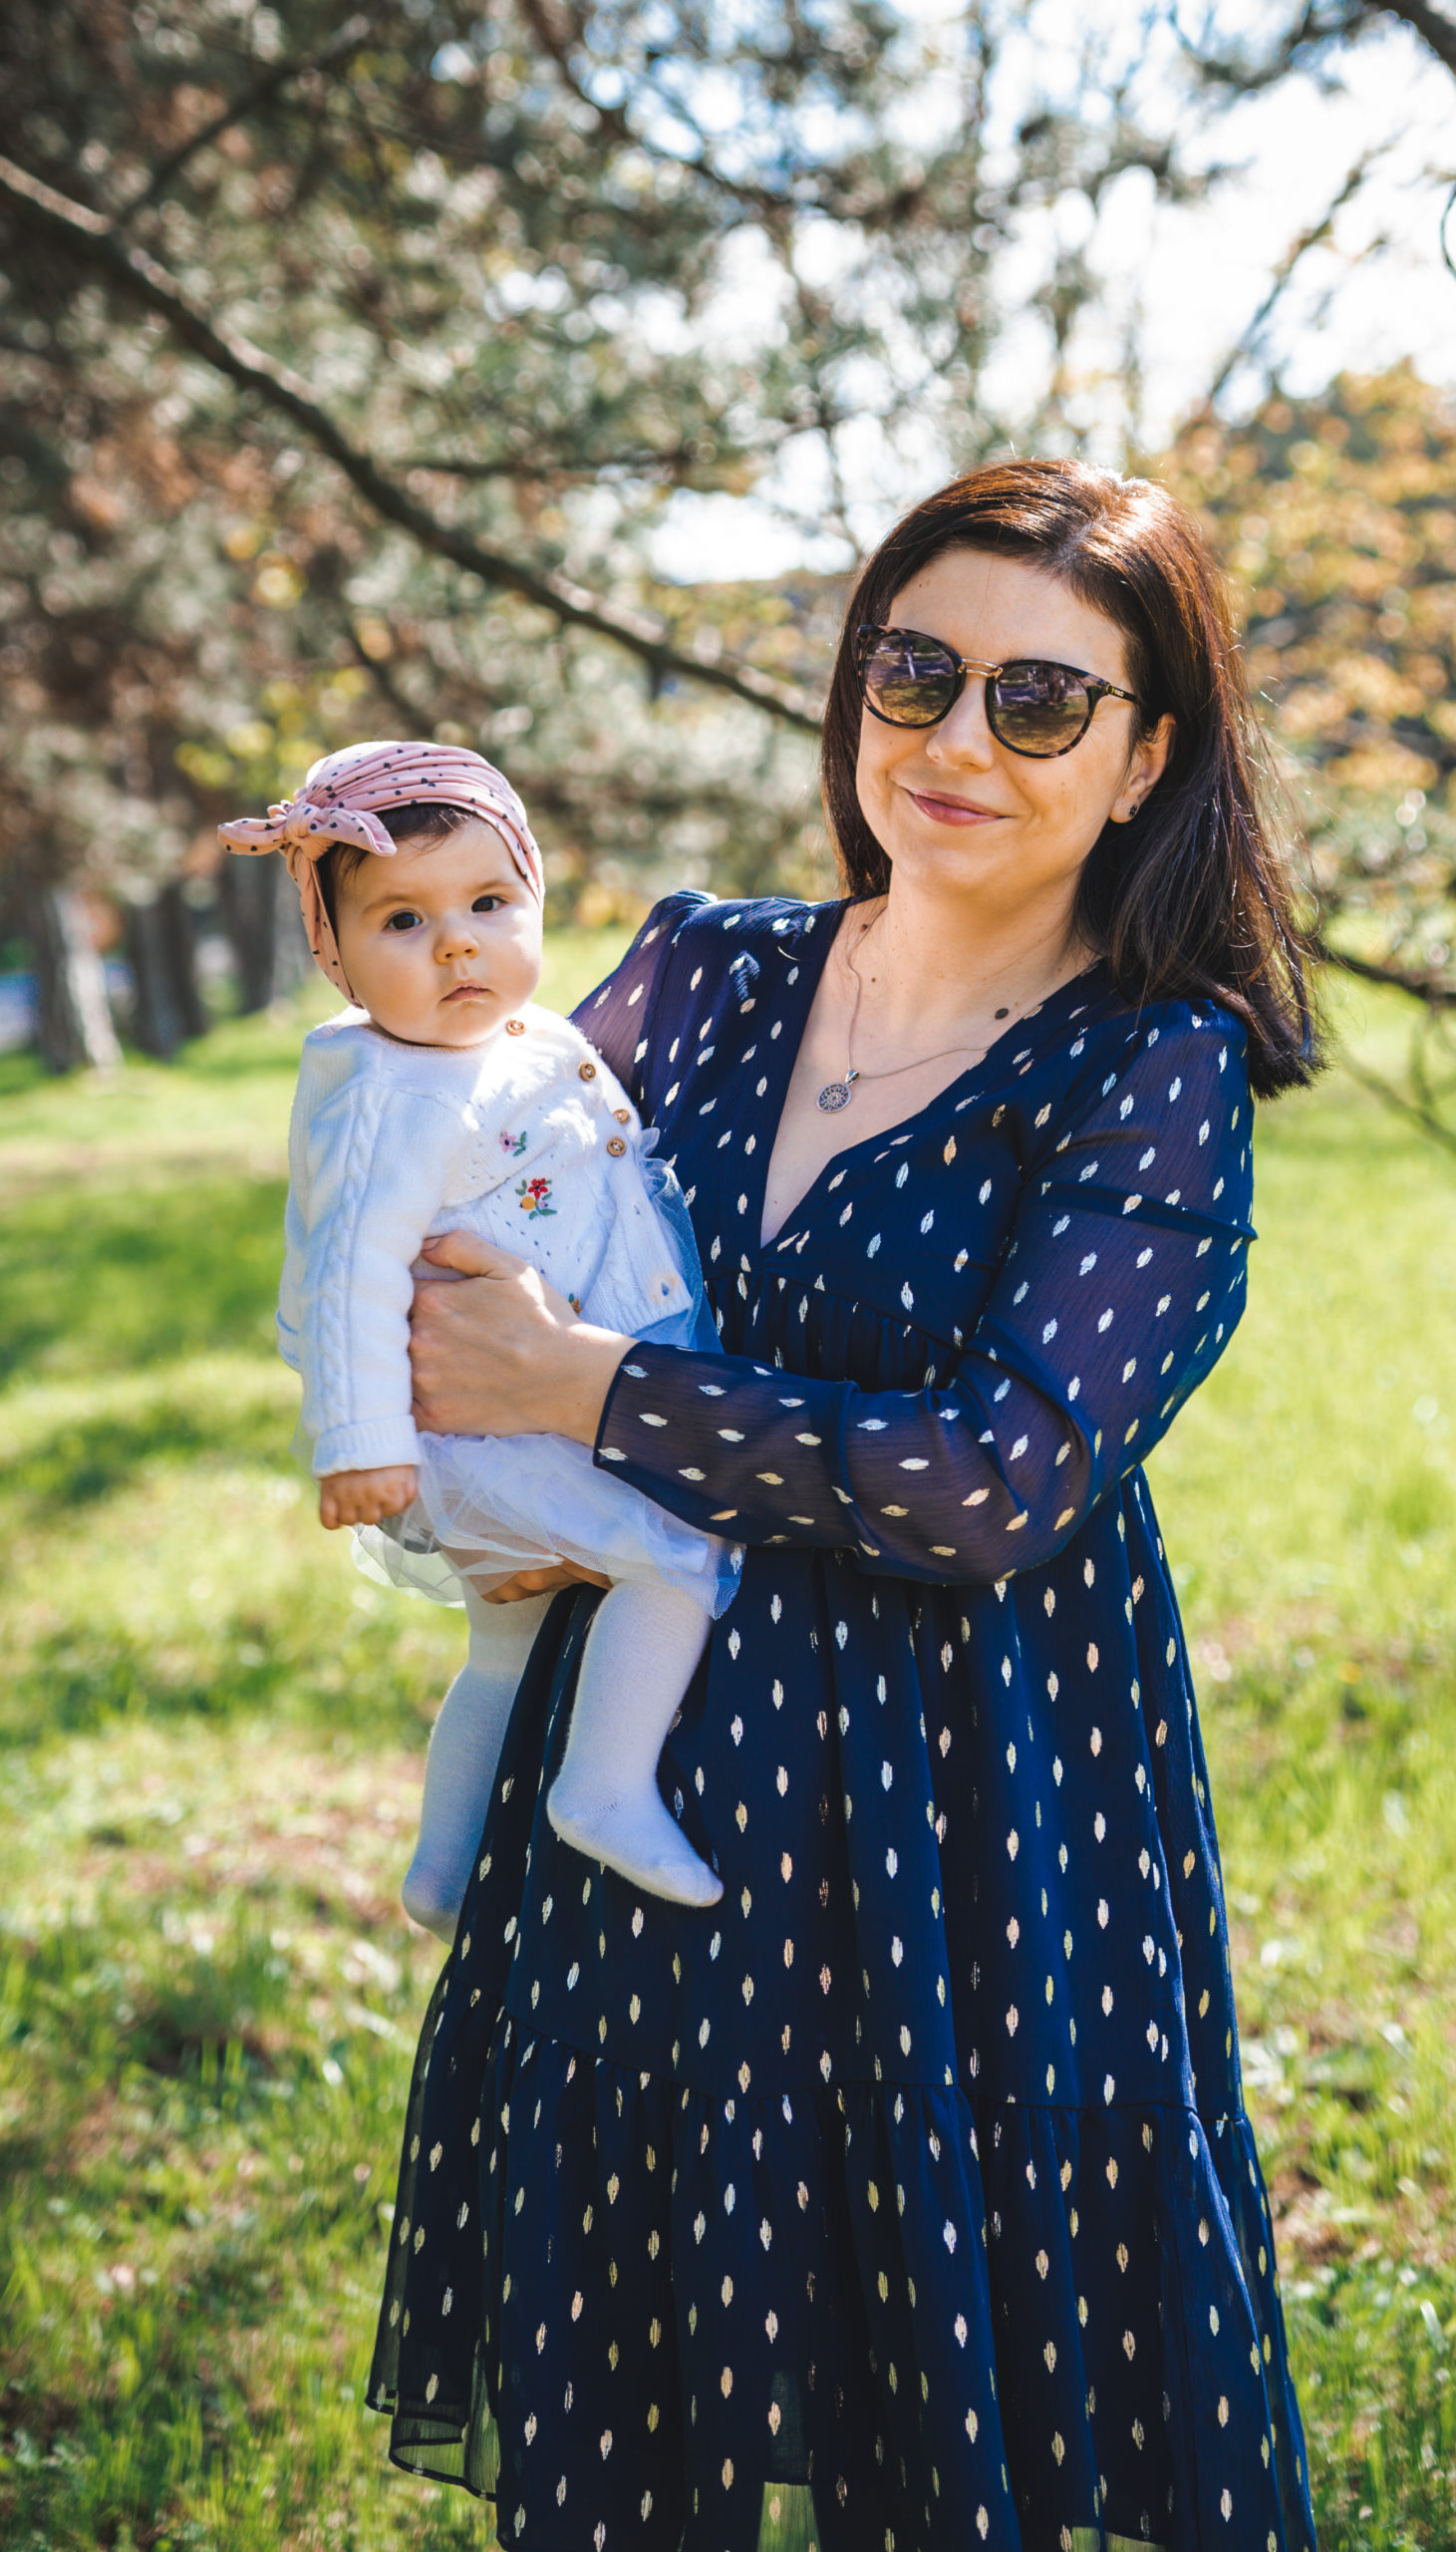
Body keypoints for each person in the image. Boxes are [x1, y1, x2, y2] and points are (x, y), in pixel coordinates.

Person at [367, 462, 1321, 2551]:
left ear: (1146, 758)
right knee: (623, 2385)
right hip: (646, 1779)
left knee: (928, 2411)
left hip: (963, 1800)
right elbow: (462, 1225)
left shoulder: (1147, 1067)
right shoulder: (700, 970)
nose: (958, 737)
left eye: (1039, 700)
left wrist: (593, 1389)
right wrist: (453, 1460)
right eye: (915, 672)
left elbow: (991, 1476)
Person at [220, 742, 739, 1928]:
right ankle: (605, 1783)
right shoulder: (397, 1095)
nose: (458, 944)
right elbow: (349, 1272)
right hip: (494, 1428)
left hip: (521, 1408)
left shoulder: (508, 1039)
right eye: (404, 920)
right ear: (332, 953)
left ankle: (444, 1868)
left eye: (490, 903)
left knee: (501, 1649)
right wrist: (360, 1443)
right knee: (677, 1555)